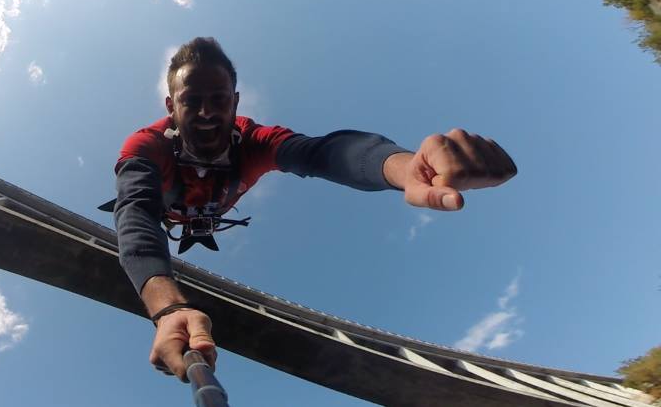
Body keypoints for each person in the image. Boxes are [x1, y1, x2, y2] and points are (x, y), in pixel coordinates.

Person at [111, 37, 517, 382]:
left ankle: (197, 219)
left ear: (235, 102)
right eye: (191, 101)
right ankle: (189, 222)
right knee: (152, 204)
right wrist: (168, 306)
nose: (206, 114)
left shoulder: (254, 140)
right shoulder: (146, 145)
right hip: (168, 205)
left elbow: (322, 153)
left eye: (218, 100)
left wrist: (405, 166)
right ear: (170, 106)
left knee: (203, 203)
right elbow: (136, 211)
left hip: (205, 207)